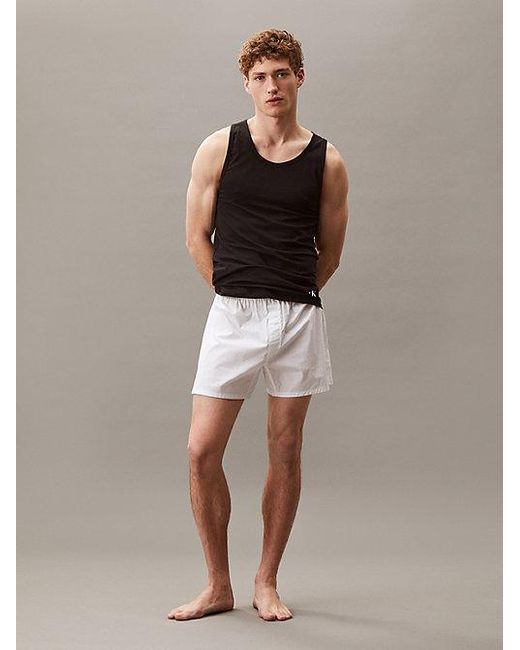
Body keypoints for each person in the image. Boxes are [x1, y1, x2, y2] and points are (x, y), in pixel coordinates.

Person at [167, 28, 349, 622]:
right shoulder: (219, 148)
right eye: (261, 77)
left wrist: (289, 295)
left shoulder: (328, 161)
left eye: (282, 74)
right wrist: (235, 292)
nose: (273, 86)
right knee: (201, 451)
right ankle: (217, 585)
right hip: (233, 313)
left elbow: (330, 254)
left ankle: (266, 581)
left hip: (298, 316)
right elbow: (196, 237)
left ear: (300, 77)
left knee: (286, 448)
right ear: (247, 84)